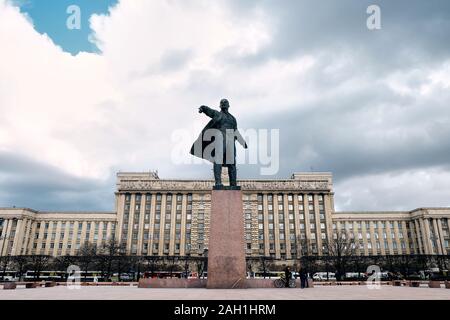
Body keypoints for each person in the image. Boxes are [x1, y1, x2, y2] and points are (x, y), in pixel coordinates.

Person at [190, 99, 248, 188]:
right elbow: (210, 112)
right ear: (220, 106)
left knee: (232, 163)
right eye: (222, 103)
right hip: (220, 139)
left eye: (225, 103)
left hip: (230, 141)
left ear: (228, 105)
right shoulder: (218, 114)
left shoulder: (233, 118)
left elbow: (236, 131)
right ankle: (218, 183)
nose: (224, 104)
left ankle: (233, 184)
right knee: (218, 160)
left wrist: (242, 142)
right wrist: (203, 108)